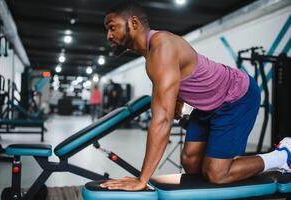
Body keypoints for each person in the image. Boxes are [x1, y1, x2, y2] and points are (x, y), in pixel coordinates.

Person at [100, 0, 291, 191]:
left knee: (217, 174)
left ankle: (283, 155)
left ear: (134, 23)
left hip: (236, 97)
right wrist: (177, 99)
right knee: (190, 161)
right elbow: (182, 76)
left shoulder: (162, 48)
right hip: (207, 105)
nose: (108, 35)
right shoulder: (152, 53)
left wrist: (142, 179)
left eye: (112, 27)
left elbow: (162, 120)